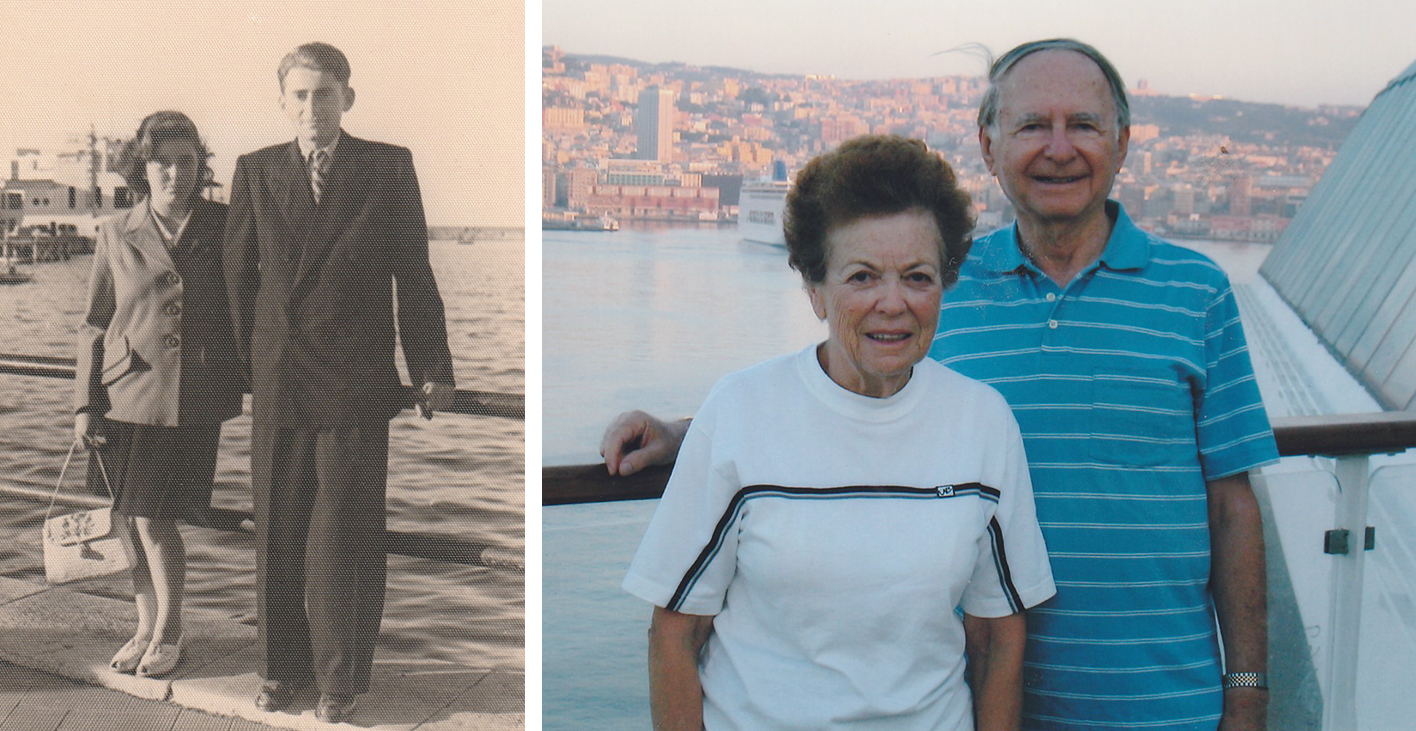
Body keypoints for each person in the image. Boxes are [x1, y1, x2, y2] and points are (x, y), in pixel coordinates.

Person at [604, 39, 1279, 731]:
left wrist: (1249, 691)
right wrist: (687, 435)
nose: (1058, 148)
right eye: (1030, 126)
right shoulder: (940, 282)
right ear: (988, 147)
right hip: (996, 696)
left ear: (1124, 141)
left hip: (1162, 701)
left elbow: (1233, 505)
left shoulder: (1197, 293)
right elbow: (837, 387)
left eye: (1082, 124)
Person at [622, 135, 1056, 730]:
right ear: (815, 290)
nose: (892, 303)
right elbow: (675, 631)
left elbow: (996, 636)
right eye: (862, 276)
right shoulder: (741, 412)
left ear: (945, 285)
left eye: (917, 277)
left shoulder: (983, 424)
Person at [223, 42, 455, 723]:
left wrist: (432, 369)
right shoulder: (256, 171)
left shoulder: (386, 167)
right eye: (299, 95)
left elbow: (413, 278)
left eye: (324, 94)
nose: (312, 108)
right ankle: (278, 669)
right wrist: (250, 370)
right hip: (281, 380)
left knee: (343, 533)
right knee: (278, 531)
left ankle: (339, 679)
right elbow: (237, 284)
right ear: (282, 102)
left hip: (354, 384)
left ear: (347, 97)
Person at [74, 110, 242, 679]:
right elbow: (96, 323)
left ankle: (170, 632)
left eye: (186, 161)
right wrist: (84, 403)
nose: (175, 173)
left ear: (200, 165)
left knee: (153, 518)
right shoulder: (115, 231)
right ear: (142, 169)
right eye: (162, 162)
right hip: (123, 396)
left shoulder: (228, 222)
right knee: (125, 517)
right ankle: (145, 625)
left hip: (191, 395)